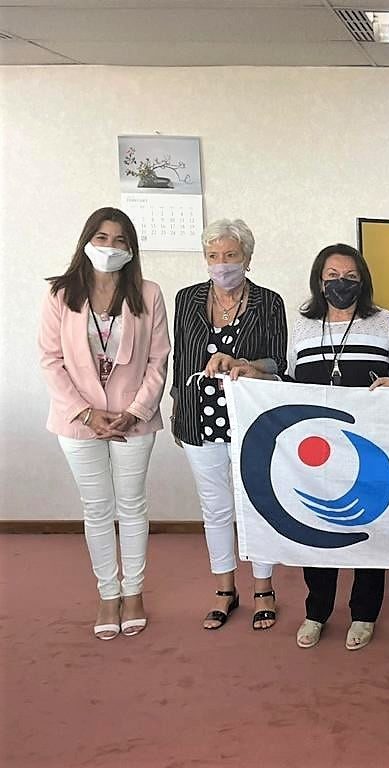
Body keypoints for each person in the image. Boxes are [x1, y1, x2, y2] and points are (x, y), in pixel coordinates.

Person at [234, 243, 389, 650]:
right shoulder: (302, 325)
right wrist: (256, 380)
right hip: (313, 449)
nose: (341, 283)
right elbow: (289, 383)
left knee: (368, 529)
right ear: (319, 281)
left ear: (363, 281)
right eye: (332, 276)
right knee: (316, 528)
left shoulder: (385, 322)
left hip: (369, 446)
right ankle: (316, 611)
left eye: (350, 276)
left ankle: (365, 613)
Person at [39, 207, 170, 640]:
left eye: (119, 240)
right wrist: (86, 412)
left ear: (131, 249)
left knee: (132, 507)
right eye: (101, 238)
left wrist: (135, 411)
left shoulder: (148, 293)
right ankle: (108, 594)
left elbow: (158, 359)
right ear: (86, 242)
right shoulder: (61, 294)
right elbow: (50, 360)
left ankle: (134, 592)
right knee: (96, 509)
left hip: (134, 419)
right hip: (79, 421)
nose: (109, 247)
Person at [171, 218, 287, 631]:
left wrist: (244, 364)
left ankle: (263, 588)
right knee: (215, 507)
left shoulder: (269, 302)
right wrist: (177, 407)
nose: (221, 263)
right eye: (213, 255)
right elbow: (181, 359)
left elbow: (279, 362)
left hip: (249, 419)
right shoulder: (186, 299)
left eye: (231, 255)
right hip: (198, 418)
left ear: (247, 258)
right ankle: (225, 589)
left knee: (256, 501)